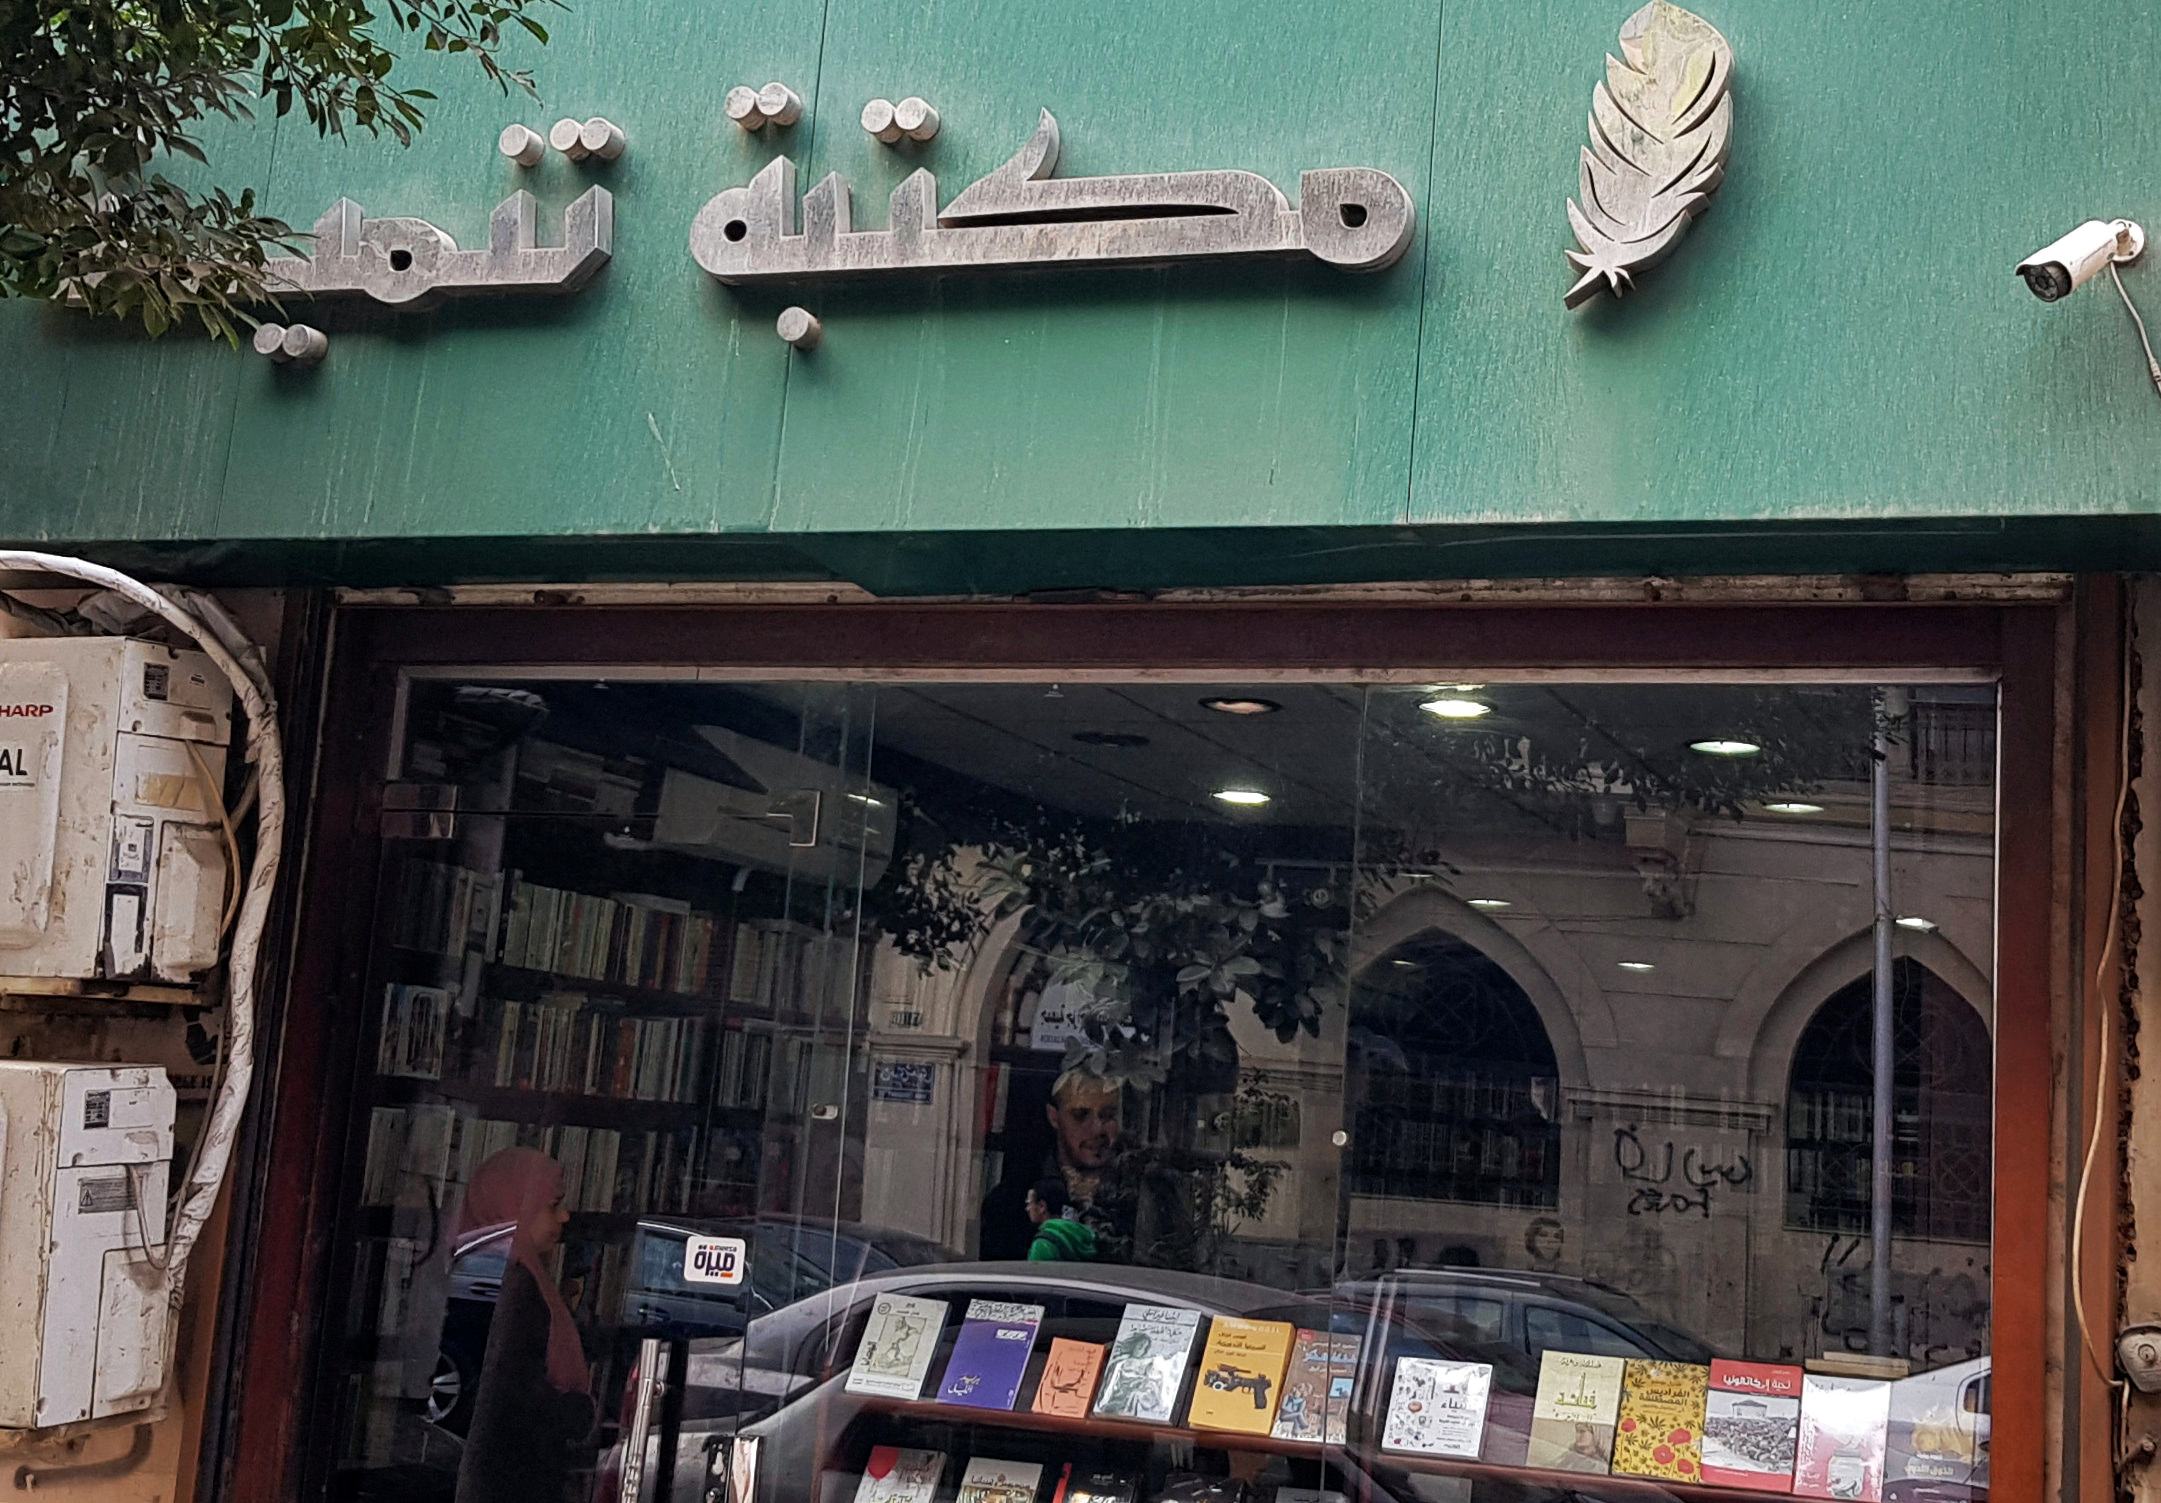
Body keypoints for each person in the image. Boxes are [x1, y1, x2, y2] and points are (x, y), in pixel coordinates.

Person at [453, 1148, 595, 1503]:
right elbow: (512, 1397)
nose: (564, 1217)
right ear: (515, 1206)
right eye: (553, 1204)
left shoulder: (483, 1272)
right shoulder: (512, 1285)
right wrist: (576, 1410)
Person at [1025, 1176, 1097, 1261]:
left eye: (1029, 1203)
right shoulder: (1084, 1237)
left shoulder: (1043, 1244)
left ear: (1042, 1206)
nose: (1027, 1208)